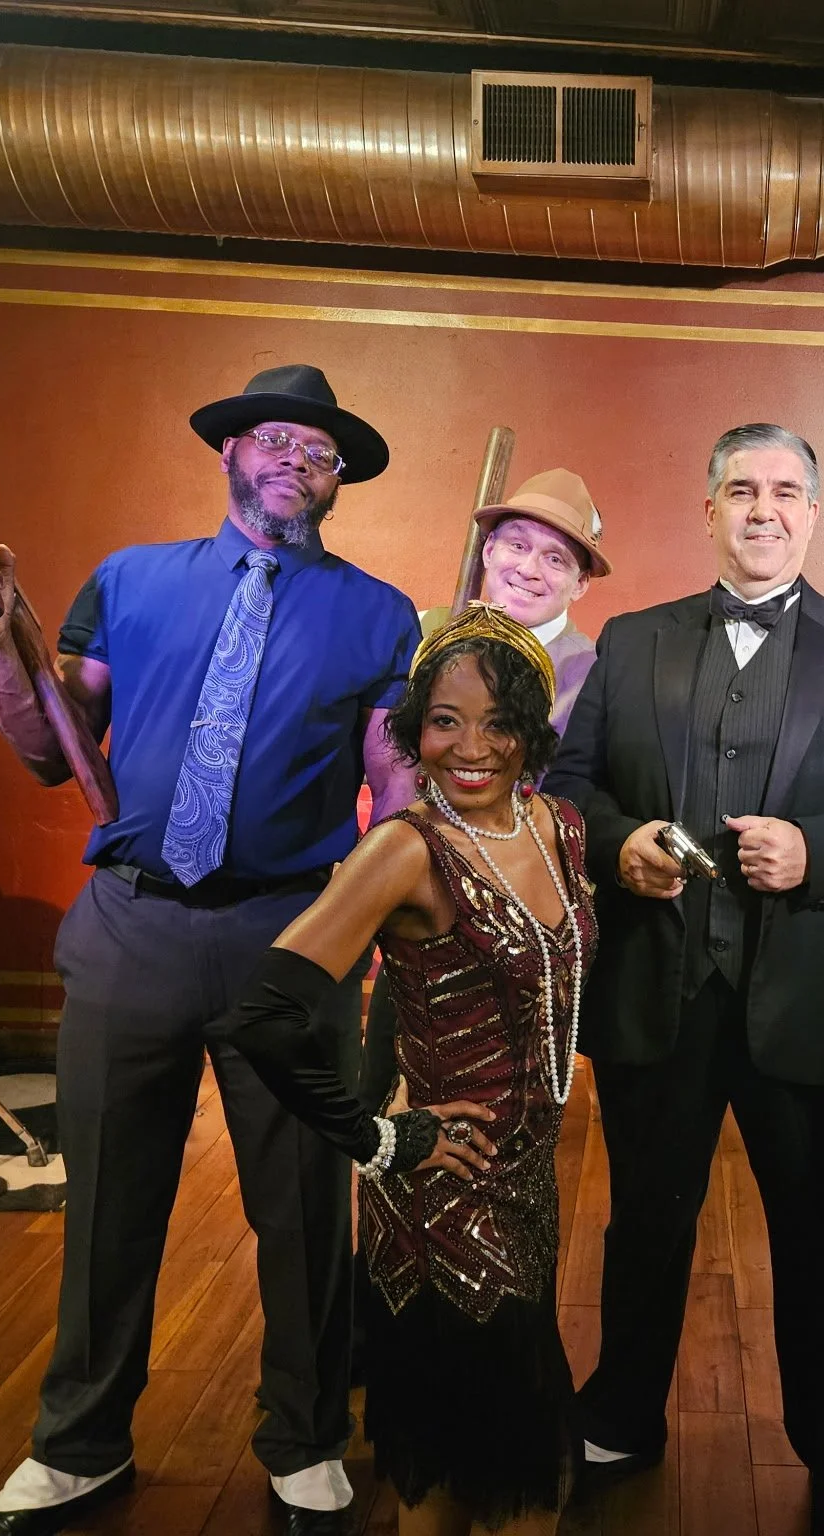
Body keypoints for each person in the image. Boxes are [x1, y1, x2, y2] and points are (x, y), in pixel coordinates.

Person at [0, 364, 422, 1536]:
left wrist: (380, 928)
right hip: (131, 929)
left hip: (289, 939)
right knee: (108, 1202)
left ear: (338, 482)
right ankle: (79, 1447)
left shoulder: (380, 613)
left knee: (303, 1210)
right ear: (229, 453)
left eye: (321, 454)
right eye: (278, 440)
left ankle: (305, 1443)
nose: (298, 463)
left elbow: (395, 788)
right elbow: (51, 746)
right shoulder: (128, 581)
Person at [543, 423, 824, 1529]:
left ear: (812, 513)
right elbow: (569, 789)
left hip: (811, 1007)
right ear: (709, 510)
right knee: (644, 1220)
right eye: (740, 490)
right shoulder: (632, 640)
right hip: (658, 991)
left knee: (821, 1233)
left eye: (783, 491)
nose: (762, 509)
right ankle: (621, 1414)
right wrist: (616, 845)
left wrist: (822, 851)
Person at [207, 603, 595, 1536]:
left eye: (498, 722)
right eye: (445, 721)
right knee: (493, 1466)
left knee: (482, 1458)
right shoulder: (405, 849)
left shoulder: (560, 827)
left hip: (528, 1184)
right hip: (441, 1195)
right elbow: (263, 1016)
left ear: (532, 730)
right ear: (416, 728)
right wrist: (379, 1139)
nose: (472, 747)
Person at [418, 468, 610, 736]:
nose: (528, 570)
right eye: (518, 545)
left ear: (579, 583)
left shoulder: (594, 677)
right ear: (489, 550)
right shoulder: (422, 631)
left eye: (555, 559)